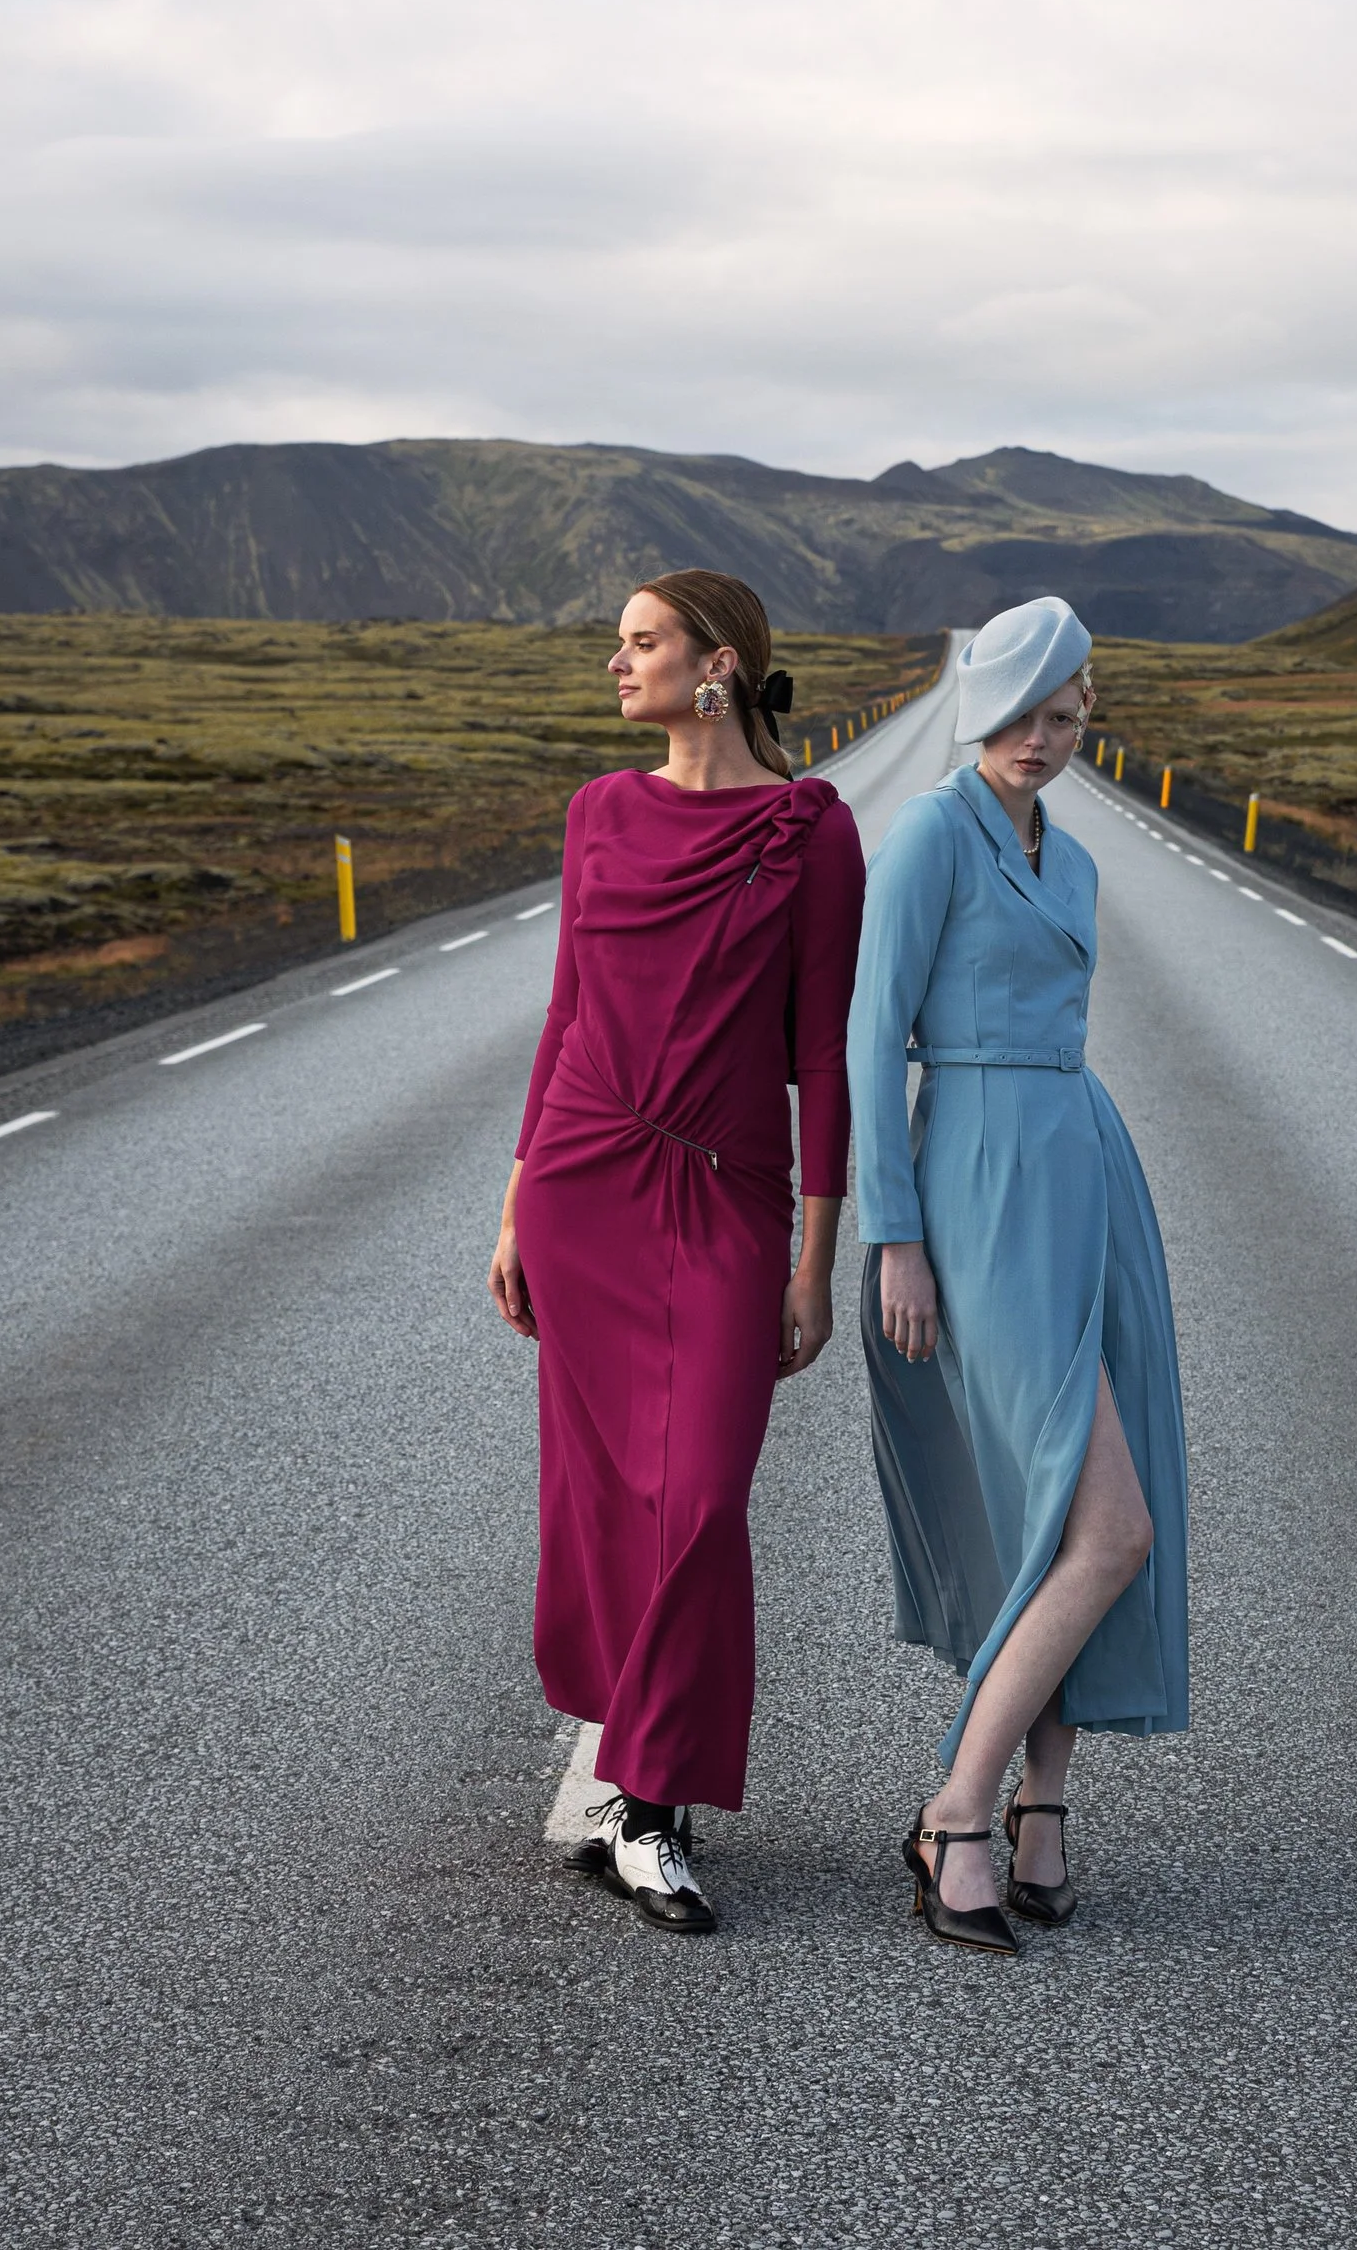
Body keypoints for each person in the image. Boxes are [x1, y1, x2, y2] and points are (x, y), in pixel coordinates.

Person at [488, 570, 863, 1935]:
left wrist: (816, 1263)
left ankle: (637, 1791)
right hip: (585, 1182)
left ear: (719, 664)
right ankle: (640, 1800)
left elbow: (821, 1060)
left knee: (697, 1498)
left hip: (726, 1199)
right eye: (618, 644)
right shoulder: (600, 811)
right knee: (598, 1496)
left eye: (639, 642)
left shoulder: (811, 833)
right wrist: (520, 1199)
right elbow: (566, 1013)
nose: (615, 664)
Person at [849, 596, 1190, 1954]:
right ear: (979, 706)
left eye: (1062, 715)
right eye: (1015, 714)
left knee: (1068, 1516)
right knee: (1104, 1527)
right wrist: (895, 1237)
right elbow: (875, 1040)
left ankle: (1045, 1814)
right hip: (977, 1180)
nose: (1038, 740)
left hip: (1084, 1169)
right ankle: (959, 1810)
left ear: (1088, 712)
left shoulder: (1079, 863)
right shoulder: (932, 834)